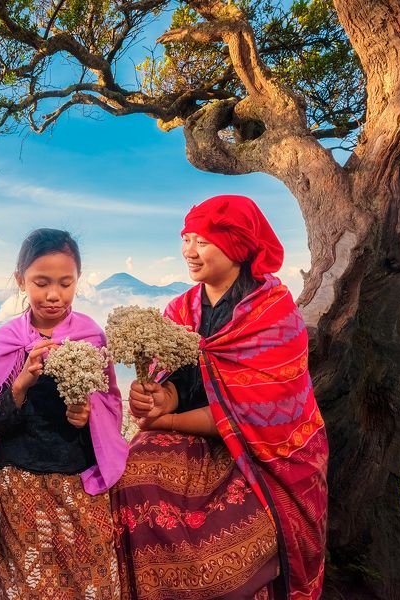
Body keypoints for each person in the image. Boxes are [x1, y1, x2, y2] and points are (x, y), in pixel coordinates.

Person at [112, 195, 329, 600]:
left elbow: (257, 418)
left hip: (265, 458)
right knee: (135, 468)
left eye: (202, 241)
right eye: (186, 239)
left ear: (236, 247)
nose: (188, 252)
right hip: (199, 438)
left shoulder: (273, 315)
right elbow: (183, 383)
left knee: (226, 544)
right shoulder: (182, 310)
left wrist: (169, 420)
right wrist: (161, 398)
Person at [0, 228, 129, 600]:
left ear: (78, 282)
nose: (53, 295)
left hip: (78, 472)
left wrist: (86, 416)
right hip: (17, 476)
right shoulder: (6, 341)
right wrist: (21, 382)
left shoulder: (91, 337)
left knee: (93, 578)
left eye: (65, 283)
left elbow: (109, 410)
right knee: (30, 585)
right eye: (41, 283)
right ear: (20, 280)